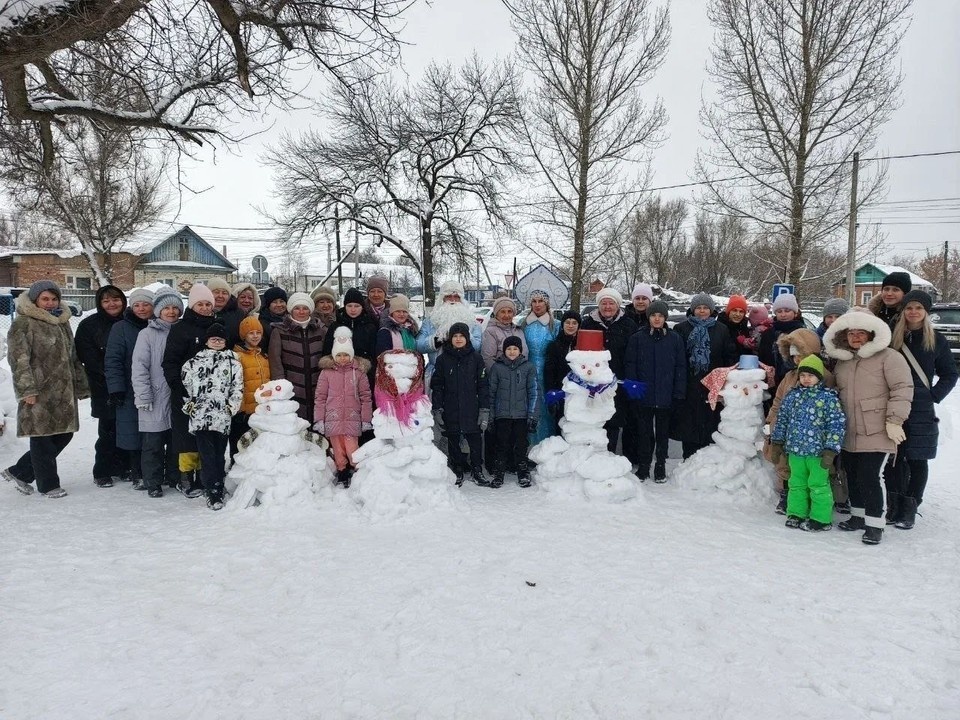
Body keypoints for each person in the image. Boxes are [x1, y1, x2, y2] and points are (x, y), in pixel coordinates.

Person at [824, 308, 913, 545]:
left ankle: (875, 524)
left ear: (871, 333)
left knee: (869, 476)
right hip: (848, 429)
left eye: (860, 332)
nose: (855, 337)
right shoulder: (844, 361)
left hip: (877, 429)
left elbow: (902, 390)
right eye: (851, 333)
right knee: (851, 474)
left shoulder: (889, 357)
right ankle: (858, 516)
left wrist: (895, 420)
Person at [3, 281, 89, 498]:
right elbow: (18, 360)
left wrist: (80, 385)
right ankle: (48, 485)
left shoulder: (62, 322)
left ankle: (19, 471)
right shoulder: (23, 323)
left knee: (64, 434)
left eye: (54, 299)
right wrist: (27, 390)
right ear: (35, 300)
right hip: (38, 391)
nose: (50, 303)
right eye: (45, 299)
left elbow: (73, 358)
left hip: (63, 392)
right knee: (42, 438)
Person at [887, 290, 958, 529]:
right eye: (909, 308)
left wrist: (933, 396)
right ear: (903, 310)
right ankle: (894, 504)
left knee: (917, 458)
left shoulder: (936, 339)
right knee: (895, 457)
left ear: (926, 312)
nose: (913, 312)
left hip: (920, 407)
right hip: (895, 404)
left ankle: (910, 507)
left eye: (918, 308)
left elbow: (950, 373)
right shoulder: (893, 338)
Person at [763, 328, 839, 515]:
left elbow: (832, 407)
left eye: (800, 355)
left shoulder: (825, 376)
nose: (797, 360)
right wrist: (771, 421)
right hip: (789, 430)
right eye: (794, 356)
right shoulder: (789, 376)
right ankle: (788, 495)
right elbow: (778, 401)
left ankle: (816, 502)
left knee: (813, 470)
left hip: (813, 435)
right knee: (785, 463)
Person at [769, 355, 846, 531]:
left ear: (819, 376)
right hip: (795, 451)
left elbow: (836, 425)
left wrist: (831, 449)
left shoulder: (828, 398)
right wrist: (777, 442)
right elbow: (782, 420)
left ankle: (821, 518)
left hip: (818, 453)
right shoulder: (792, 396)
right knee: (796, 483)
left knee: (818, 485)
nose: (806, 379)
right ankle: (796, 513)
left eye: (810, 376)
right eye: (803, 375)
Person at [162, 282, 217, 498]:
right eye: (200, 304)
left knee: (207, 436)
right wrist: (177, 384)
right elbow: (170, 361)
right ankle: (185, 477)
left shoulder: (216, 326)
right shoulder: (180, 329)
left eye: (207, 304)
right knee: (186, 437)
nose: (204, 308)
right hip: (186, 393)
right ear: (192, 306)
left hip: (212, 394)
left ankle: (205, 475)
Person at [181, 323, 243, 510]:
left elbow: (237, 387)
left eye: (221, 339)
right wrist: (189, 406)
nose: (217, 342)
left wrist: (231, 407)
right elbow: (185, 387)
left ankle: (218, 482)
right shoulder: (192, 363)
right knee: (206, 454)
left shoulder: (233, 363)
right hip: (201, 417)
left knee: (219, 453)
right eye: (213, 339)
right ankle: (212, 489)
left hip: (222, 416)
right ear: (207, 340)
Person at [623, 300, 686, 482]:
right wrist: (633, 389)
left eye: (660, 316)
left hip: (666, 395)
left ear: (665, 317)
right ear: (648, 317)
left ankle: (660, 466)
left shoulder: (674, 339)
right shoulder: (638, 338)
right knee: (644, 433)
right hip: (644, 395)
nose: (657, 319)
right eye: (653, 315)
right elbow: (631, 364)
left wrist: (678, 392)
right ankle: (644, 467)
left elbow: (680, 367)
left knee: (662, 434)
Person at [131, 287, 184, 498]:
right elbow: (139, 366)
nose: (171, 312)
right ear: (158, 311)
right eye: (166, 308)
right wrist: (143, 395)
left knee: (175, 441)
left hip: (177, 396)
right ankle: (152, 481)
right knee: (152, 443)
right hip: (153, 396)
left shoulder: (183, 331)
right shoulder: (147, 334)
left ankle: (173, 477)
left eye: (175, 308)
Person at [672, 293, 738, 458]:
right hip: (689, 383)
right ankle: (688, 461)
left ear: (711, 310)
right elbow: (677, 357)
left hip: (713, 384)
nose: (702, 311)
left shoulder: (721, 329)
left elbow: (728, 356)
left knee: (711, 425)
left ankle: (708, 463)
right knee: (689, 426)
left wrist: (725, 379)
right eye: (698, 308)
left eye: (705, 308)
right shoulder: (681, 329)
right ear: (693, 310)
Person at [74, 284, 128, 487]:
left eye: (115, 299)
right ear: (100, 303)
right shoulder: (89, 325)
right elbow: (87, 355)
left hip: (129, 383)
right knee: (108, 429)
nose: (112, 304)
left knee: (127, 427)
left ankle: (123, 467)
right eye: (106, 300)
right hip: (103, 384)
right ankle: (102, 470)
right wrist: (111, 374)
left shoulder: (130, 320)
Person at [105, 286, 154, 489]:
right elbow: (113, 360)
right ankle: (137, 472)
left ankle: (154, 470)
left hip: (158, 387)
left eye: (146, 304)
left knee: (155, 433)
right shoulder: (121, 328)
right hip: (130, 388)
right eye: (137, 305)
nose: (141, 309)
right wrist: (116, 388)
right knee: (133, 432)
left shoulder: (160, 325)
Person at [580, 287, 639, 457]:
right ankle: (592, 458)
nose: (607, 307)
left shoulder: (628, 324)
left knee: (614, 419)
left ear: (617, 305)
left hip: (618, 382)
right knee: (594, 420)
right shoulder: (588, 323)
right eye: (604, 303)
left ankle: (610, 457)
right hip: (593, 382)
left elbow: (632, 354)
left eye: (611, 303)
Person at [431, 322, 490, 487]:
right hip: (451, 408)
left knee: (475, 439)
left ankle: (477, 469)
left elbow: (483, 385)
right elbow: (437, 386)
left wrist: (484, 409)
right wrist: (437, 408)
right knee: (453, 439)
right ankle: (456, 469)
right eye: (455, 336)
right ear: (450, 338)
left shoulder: (476, 358)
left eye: (461, 336)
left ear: (467, 338)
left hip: (472, 407)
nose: (458, 339)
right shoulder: (443, 359)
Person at [314, 327, 373, 488]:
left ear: (351, 354)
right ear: (334, 355)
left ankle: (357, 471)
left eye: (346, 354)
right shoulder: (326, 373)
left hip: (352, 418)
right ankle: (342, 473)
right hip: (332, 418)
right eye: (339, 355)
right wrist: (319, 419)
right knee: (338, 450)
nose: (342, 358)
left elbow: (366, 397)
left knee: (352, 449)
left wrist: (366, 419)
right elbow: (320, 397)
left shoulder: (359, 373)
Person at [488, 336, 540, 488]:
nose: (512, 351)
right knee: (501, 444)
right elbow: (491, 393)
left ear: (520, 350)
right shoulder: (497, 368)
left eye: (515, 349)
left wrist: (532, 415)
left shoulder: (528, 367)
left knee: (521, 444)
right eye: (509, 349)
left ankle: (522, 472)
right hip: (502, 415)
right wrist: (491, 416)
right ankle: (499, 472)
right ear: (504, 350)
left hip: (522, 415)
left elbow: (534, 392)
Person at [269, 292, 329, 422]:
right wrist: (281, 386)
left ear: (310, 310)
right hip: (292, 385)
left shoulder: (321, 330)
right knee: (296, 423)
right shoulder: (280, 331)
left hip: (317, 384)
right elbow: (275, 361)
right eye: (297, 308)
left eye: (305, 308)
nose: (301, 312)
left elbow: (327, 356)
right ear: (291, 310)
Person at [417, 280, 482, 386]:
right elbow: (419, 345)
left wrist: (464, 335)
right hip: (437, 373)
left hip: (465, 374)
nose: (452, 300)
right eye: (448, 296)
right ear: (442, 299)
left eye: (456, 297)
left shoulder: (472, 322)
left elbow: (477, 346)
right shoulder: (430, 321)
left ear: (461, 299)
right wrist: (438, 339)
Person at [519, 289, 559, 444]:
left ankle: (546, 444)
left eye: (540, 301)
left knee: (545, 407)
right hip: (527, 370)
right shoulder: (523, 324)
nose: (537, 305)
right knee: (529, 406)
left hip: (547, 371)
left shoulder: (555, 325)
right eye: (534, 301)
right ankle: (528, 445)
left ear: (547, 303)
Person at [321, 288, 380, 391]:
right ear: (345, 306)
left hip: (363, 375)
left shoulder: (370, 327)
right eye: (349, 306)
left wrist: (366, 368)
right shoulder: (335, 326)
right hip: (339, 375)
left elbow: (374, 354)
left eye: (357, 306)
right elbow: (327, 351)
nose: (353, 309)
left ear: (362, 307)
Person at [231, 316, 271, 460]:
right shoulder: (237, 356)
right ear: (244, 335)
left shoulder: (264, 357)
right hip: (244, 412)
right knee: (241, 447)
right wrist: (240, 408)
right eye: (250, 333)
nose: (255, 336)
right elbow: (235, 384)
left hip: (261, 411)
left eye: (258, 332)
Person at [758, 293, 805, 386]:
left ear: (795, 313)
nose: (783, 314)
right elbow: (761, 359)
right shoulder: (768, 334)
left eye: (787, 311)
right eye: (779, 311)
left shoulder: (802, 333)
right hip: (770, 384)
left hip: (795, 383)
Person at [543, 310, 581, 424]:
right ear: (562, 325)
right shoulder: (554, 346)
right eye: (567, 322)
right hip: (561, 391)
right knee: (562, 425)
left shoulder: (583, 345)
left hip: (580, 393)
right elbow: (549, 371)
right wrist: (551, 391)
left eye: (574, 323)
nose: (570, 326)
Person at [481, 296, 528, 369]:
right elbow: (488, 359)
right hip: (501, 378)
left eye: (509, 311)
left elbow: (525, 354)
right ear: (496, 314)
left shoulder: (519, 331)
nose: (506, 315)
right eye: (502, 312)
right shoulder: (491, 332)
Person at [223, 281, 261, 347]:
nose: (247, 301)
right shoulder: (227, 318)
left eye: (250, 298)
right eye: (243, 297)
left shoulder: (257, 319)